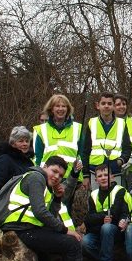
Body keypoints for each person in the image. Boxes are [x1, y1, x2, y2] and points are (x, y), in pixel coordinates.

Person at [0, 156, 104, 261]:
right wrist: (65, 230)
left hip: (30, 228)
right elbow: (40, 212)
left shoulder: (45, 184)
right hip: (21, 229)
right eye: (54, 171)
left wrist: (57, 198)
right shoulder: (36, 177)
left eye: (61, 175)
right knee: (71, 244)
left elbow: (50, 213)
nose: (56, 177)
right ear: (45, 166)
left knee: (69, 242)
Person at [33, 94, 84, 229]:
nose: (60, 109)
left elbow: (82, 153)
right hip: (47, 178)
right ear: (51, 108)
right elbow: (37, 156)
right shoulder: (41, 130)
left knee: (65, 210)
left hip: (70, 178)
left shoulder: (78, 128)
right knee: (47, 209)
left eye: (63, 106)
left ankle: (65, 237)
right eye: (57, 106)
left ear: (68, 109)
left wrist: (79, 171)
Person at [82, 164, 132, 261]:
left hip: (115, 230)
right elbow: (88, 219)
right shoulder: (93, 195)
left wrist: (101, 218)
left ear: (113, 177)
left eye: (106, 175)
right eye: (100, 176)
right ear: (96, 179)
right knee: (84, 242)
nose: (104, 178)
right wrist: (103, 216)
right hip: (97, 230)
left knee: (107, 227)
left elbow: (117, 212)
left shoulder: (120, 191)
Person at [80, 92, 132, 190]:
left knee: (115, 201)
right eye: (103, 103)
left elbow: (127, 148)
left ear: (113, 106)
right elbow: (85, 151)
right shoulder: (92, 123)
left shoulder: (122, 123)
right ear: (97, 105)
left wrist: (120, 161)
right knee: (96, 201)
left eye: (109, 103)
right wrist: (85, 175)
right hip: (94, 172)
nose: (106, 106)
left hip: (115, 171)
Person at [0, 126, 35, 197]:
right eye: (21, 141)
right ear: (13, 143)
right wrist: (1, 204)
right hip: (9, 205)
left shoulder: (29, 162)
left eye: (27, 141)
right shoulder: (4, 160)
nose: (25, 144)